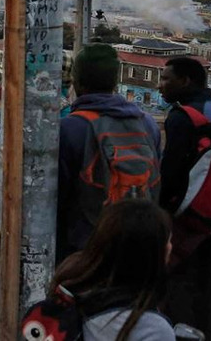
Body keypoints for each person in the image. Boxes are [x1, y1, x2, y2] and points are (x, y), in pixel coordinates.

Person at [157, 56, 211, 336]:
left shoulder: (185, 118)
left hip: (186, 221)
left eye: (166, 79)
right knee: (199, 287)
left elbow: (170, 176)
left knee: (175, 289)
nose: (161, 86)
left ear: (186, 81)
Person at [56, 44, 161, 263]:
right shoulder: (147, 124)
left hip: (84, 248)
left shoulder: (69, 128)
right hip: (137, 246)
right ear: (115, 82)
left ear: (77, 82)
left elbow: (57, 197)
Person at [41, 199, 176, 340]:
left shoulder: (69, 296)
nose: (170, 246)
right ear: (152, 255)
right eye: (168, 241)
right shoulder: (151, 328)